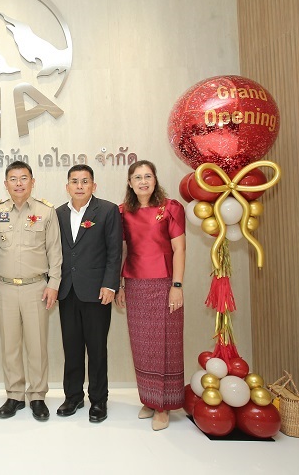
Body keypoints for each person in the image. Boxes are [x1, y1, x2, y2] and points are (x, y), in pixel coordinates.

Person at [0, 162, 62, 421]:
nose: (19, 183)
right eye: (13, 179)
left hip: (36, 288)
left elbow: (55, 251)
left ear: (32, 182)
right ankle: (15, 395)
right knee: (10, 345)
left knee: (37, 345)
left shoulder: (46, 212)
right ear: (5, 184)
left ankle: (37, 395)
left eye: (24, 178)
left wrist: (53, 284)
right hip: (4, 287)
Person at [115, 160, 185, 431]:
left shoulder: (171, 208)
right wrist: (120, 285)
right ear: (130, 183)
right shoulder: (123, 212)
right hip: (135, 285)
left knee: (165, 344)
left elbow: (179, 249)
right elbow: (122, 250)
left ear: (155, 179)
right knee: (142, 346)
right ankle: (149, 399)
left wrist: (177, 286)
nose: (143, 181)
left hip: (164, 284)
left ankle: (164, 406)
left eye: (147, 176)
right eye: (137, 177)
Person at [55, 164, 122, 423]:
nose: (80, 186)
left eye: (85, 181)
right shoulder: (58, 214)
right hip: (67, 290)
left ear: (94, 185)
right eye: (75, 181)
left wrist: (110, 285)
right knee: (71, 347)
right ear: (67, 186)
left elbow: (114, 251)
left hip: (97, 291)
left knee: (96, 348)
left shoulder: (107, 210)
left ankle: (98, 400)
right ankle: (73, 396)